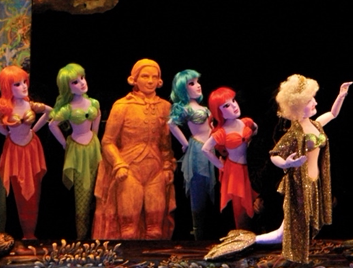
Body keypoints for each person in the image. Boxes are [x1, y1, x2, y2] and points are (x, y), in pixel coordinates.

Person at [256, 75, 352, 263]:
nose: (315, 102)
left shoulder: (315, 125)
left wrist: (341, 95)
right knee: (293, 225)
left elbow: (333, 114)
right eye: (309, 100)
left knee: (301, 223)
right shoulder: (294, 133)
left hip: (314, 182)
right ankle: (290, 255)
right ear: (297, 106)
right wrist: (286, 164)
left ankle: (300, 253)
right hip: (300, 183)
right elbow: (275, 154)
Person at [92, 59, 176, 239]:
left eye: (154, 77)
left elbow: (165, 144)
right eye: (145, 76)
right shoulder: (122, 105)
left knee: (155, 229)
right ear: (134, 79)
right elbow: (108, 141)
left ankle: (154, 257)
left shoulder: (165, 107)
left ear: (159, 81)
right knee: (128, 230)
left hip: (155, 170)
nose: (150, 81)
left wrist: (168, 166)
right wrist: (118, 164)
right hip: (129, 169)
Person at [0, 65, 52, 239]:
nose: (24, 86)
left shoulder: (30, 104)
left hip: (31, 148)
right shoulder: (6, 108)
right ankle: (21, 232)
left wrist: (34, 129)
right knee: (17, 192)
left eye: (24, 82)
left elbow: (49, 112)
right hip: (14, 150)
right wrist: (5, 132)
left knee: (34, 191)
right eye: (17, 84)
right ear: (8, 88)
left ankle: (30, 233)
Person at [48, 63, 102, 239]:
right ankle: (81, 236)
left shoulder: (93, 102)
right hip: (78, 150)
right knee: (82, 196)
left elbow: (98, 115)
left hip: (93, 148)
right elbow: (52, 125)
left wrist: (95, 135)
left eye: (82, 78)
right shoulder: (68, 108)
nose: (82, 83)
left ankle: (96, 233)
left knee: (99, 188)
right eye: (75, 82)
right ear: (67, 87)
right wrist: (64, 143)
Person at [167, 69, 218, 240]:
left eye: (197, 82)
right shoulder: (186, 108)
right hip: (198, 150)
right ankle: (198, 232)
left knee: (211, 187)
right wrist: (185, 143)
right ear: (183, 88)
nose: (198, 86)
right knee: (198, 188)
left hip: (210, 148)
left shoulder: (202, 108)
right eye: (192, 83)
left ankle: (206, 230)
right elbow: (171, 124)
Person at [200, 86, 258, 231]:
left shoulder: (246, 122)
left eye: (233, 100)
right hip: (235, 171)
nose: (233, 106)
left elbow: (256, 130)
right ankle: (242, 236)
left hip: (251, 169)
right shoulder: (222, 132)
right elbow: (205, 149)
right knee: (240, 209)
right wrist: (221, 166)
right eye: (226, 105)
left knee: (257, 205)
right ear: (219, 112)